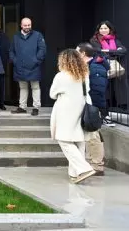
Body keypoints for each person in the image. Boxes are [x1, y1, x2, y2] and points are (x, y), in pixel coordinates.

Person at [49, 49, 97, 184]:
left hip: (66, 110)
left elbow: (52, 94)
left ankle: (83, 169)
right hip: (81, 108)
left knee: (63, 140)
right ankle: (75, 174)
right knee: (79, 140)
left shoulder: (61, 76)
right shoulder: (84, 74)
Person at [76, 42, 109, 176]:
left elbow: (97, 90)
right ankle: (92, 162)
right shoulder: (88, 66)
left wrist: (94, 108)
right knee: (90, 135)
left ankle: (97, 165)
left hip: (93, 106)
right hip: (90, 106)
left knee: (94, 135)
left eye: (77, 52)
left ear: (83, 53)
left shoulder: (95, 68)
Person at [90, 20, 127, 121]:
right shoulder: (94, 40)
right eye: (101, 28)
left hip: (114, 68)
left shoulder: (115, 39)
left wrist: (108, 51)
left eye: (105, 28)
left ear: (110, 29)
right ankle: (104, 113)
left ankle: (119, 108)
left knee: (115, 89)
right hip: (101, 68)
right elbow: (99, 52)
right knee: (103, 90)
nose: (103, 30)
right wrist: (115, 52)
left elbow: (123, 50)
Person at [10, 18, 46, 116]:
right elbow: (11, 51)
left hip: (34, 66)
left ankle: (36, 108)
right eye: (25, 25)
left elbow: (42, 50)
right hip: (20, 66)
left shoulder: (38, 35)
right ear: (21, 25)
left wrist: (36, 60)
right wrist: (15, 61)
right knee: (22, 87)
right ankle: (22, 107)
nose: (27, 27)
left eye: (29, 25)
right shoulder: (15, 37)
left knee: (35, 87)